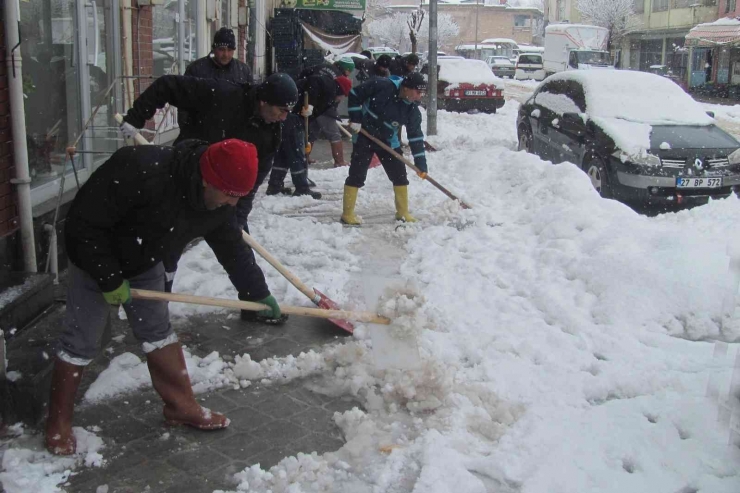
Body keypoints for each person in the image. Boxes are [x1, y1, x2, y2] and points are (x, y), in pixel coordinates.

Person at [45, 139, 283, 456]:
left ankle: (180, 406)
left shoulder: (220, 204)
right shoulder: (141, 169)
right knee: (81, 340)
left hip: (146, 260)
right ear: (207, 179)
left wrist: (257, 293)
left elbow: (232, 247)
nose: (231, 203)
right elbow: (81, 226)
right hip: (96, 256)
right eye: (228, 194)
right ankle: (57, 422)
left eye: (238, 198)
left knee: (157, 331)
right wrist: (108, 277)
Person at [119, 72, 298, 228]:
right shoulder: (223, 95)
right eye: (281, 110)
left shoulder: (271, 134)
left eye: (288, 111)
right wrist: (137, 117)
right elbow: (167, 85)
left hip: (219, 196)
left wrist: (239, 218)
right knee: (160, 244)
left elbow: (251, 183)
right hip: (181, 179)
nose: (283, 117)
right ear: (264, 100)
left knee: (237, 251)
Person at [342, 72, 428, 225]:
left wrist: (421, 164)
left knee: (399, 175)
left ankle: (402, 212)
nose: (419, 96)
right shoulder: (382, 85)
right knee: (357, 174)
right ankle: (347, 214)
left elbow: (415, 138)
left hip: (388, 140)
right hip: (364, 134)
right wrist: (356, 118)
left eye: (422, 93)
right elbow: (355, 94)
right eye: (418, 92)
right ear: (406, 88)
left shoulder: (412, 109)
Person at [267, 75, 352, 198]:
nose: (342, 99)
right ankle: (301, 187)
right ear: (342, 90)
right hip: (294, 118)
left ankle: (274, 185)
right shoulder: (329, 85)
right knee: (297, 153)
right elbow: (313, 80)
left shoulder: (330, 94)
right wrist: (310, 104)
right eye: (344, 95)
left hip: (292, 117)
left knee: (284, 153)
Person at [178, 28, 253, 136]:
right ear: (214, 48)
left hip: (233, 135)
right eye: (221, 49)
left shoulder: (243, 71)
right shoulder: (196, 70)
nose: (226, 54)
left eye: (230, 50)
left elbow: (250, 105)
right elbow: (183, 103)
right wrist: (188, 131)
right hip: (202, 134)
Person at [298, 57, 355, 167]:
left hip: (309, 103)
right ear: (346, 69)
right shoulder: (339, 77)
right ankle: (339, 162)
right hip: (322, 106)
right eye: (349, 70)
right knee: (334, 134)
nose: (348, 73)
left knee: (312, 132)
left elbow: (305, 73)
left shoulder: (322, 66)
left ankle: (304, 158)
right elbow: (335, 95)